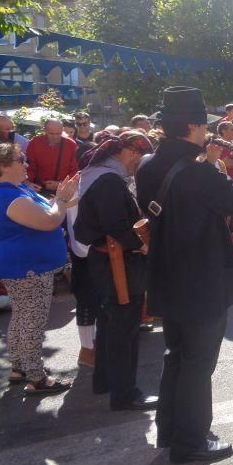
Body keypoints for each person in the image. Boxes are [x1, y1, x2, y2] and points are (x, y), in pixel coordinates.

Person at [135, 86, 233, 464]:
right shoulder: (197, 172)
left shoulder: (148, 165)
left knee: (177, 354)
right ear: (191, 126)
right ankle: (190, 440)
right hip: (201, 277)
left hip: (167, 273)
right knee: (198, 362)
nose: (207, 132)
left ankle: (172, 429)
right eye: (203, 125)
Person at [73, 131, 158, 411]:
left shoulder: (100, 176)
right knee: (124, 328)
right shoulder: (109, 180)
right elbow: (117, 227)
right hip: (117, 264)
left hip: (107, 263)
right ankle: (125, 394)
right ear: (132, 152)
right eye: (138, 157)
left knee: (110, 325)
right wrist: (142, 245)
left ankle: (104, 380)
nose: (137, 164)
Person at [0, 142, 77, 395]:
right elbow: (49, 221)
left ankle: (20, 368)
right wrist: (62, 201)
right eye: (21, 160)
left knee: (22, 317)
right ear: (4, 166)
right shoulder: (8, 196)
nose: (27, 164)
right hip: (27, 268)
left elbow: (50, 210)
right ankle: (36, 376)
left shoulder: (14, 190)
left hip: (23, 266)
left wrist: (63, 200)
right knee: (32, 321)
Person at [26, 117, 79, 196]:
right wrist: (28, 183)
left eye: (58, 133)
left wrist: (60, 184)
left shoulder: (70, 144)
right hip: (39, 188)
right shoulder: (35, 143)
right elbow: (29, 167)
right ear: (45, 130)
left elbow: (75, 170)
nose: (55, 137)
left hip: (63, 189)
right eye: (51, 134)